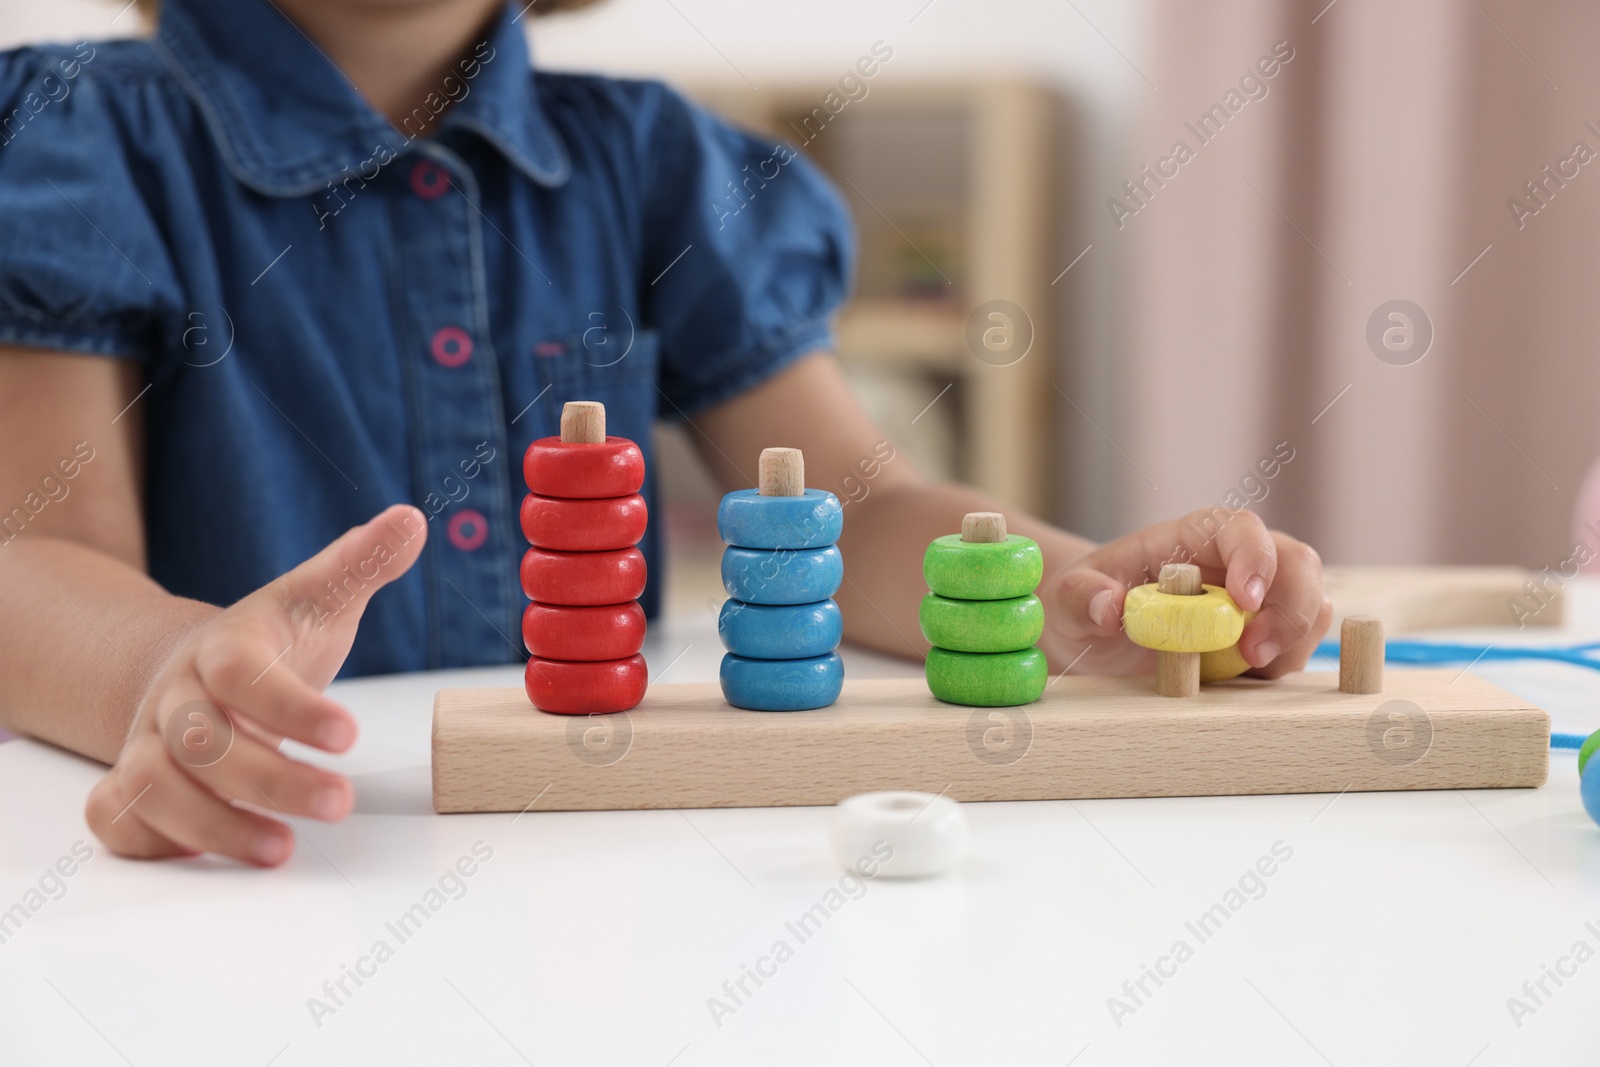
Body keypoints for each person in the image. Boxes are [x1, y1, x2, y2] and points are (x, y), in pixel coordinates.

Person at [0, 0, 1330, 866]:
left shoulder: (657, 162)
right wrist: (176, 673)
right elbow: (36, 557)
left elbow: (856, 509)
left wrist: (1075, 590)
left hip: (583, 852)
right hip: (255, 861)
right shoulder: (72, 139)